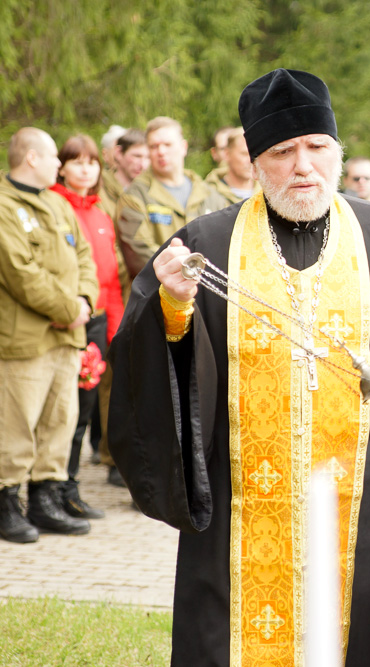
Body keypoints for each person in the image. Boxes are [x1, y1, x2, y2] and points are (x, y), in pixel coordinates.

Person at [108, 68, 370, 667]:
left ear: (337, 149)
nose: (305, 166)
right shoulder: (207, 243)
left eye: (318, 147)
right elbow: (155, 371)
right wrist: (171, 307)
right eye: (283, 152)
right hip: (244, 504)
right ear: (255, 163)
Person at [0, 127, 99, 544]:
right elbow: (21, 273)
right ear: (32, 159)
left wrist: (85, 302)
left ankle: (46, 498)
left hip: (67, 338)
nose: (60, 164)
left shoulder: (59, 205)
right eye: (53, 157)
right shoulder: (4, 206)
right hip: (27, 339)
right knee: (16, 423)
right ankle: (7, 504)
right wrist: (68, 309)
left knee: (60, 420)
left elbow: (85, 256)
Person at [51, 134, 124, 520]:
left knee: (83, 410)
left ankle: (69, 488)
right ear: (61, 166)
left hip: (95, 321)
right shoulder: (54, 207)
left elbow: (110, 279)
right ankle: (44, 488)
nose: (86, 168)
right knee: (57, 411)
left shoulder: (100, 214)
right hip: (62, 321)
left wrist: (112, 329)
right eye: (76, 161)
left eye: (92, 162)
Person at [116, 116, 229, 279]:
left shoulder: (210, 195)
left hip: (210, 292)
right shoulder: (135, 197)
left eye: (167, 145)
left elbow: (225, 246)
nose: (161, 152)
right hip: (159, 296)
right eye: (154, 146)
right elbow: (139, 254)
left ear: (183, 147)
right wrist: (187, 274)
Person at [101, 129, 150, 214]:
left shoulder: (151, 190)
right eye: (137, 156)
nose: (143, 165)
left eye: (148, 158)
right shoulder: (99, 187)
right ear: (118, 152)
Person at [204, 128, 258, 205]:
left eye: (254, 154)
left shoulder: (268, 192)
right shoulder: (207, 193)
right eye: (244, 154)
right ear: (227, 154)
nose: (250, 160)